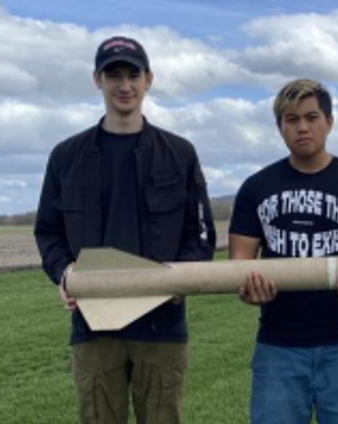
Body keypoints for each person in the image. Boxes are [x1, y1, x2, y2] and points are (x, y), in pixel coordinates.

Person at [34, 35, 215, 424]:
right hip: (94, 328)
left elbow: (200, 235)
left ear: (149, 79)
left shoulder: (179, 153)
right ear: (97, 80)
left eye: (133, 74)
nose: (124, 85)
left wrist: (176, 281)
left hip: (162, 328)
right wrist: (64, 272)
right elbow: (47, 232)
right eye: (113, 74)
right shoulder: (67, 157)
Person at [229, 78, 338, 424]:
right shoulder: (256, 188)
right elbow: (238, 268)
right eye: (291, 119)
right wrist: (250, 291)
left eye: (311, 117)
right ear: (280, 128)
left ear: (329, 122)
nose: (302, 127)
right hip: (277, 348)